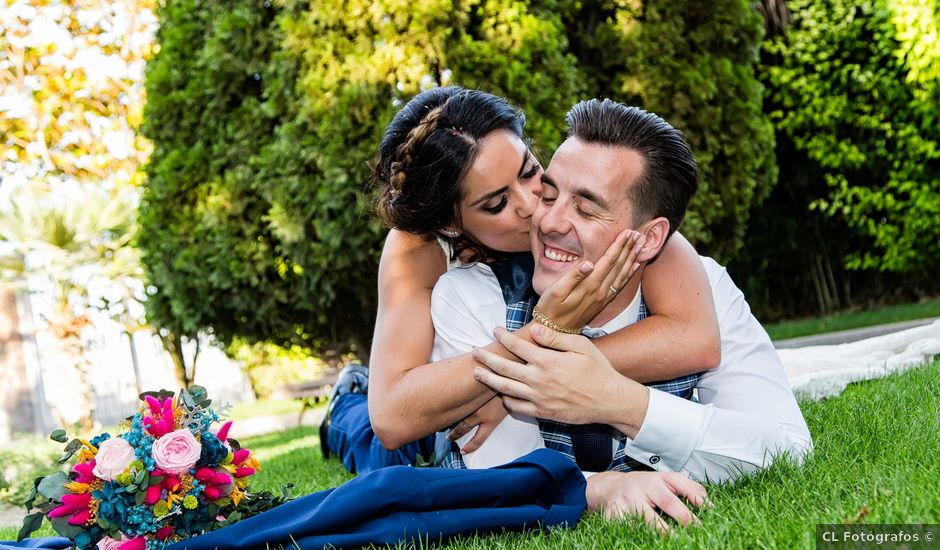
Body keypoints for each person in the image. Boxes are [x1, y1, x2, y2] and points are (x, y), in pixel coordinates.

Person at [323, 87, 720, 526]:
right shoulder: (417, 250)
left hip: (483, 371)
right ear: (452, 224)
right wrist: (539, 340)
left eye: (531, 172)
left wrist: (522, 384)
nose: (534, 207)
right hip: (441, 404)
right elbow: (394, 415)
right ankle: (343, 402)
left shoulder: (602, 213)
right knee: (379, 449)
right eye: (496, 204)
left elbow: (694, 338)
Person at [463, 100, 812, 504]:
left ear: (649, 239)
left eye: (586, 209)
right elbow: (497, 473)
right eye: (548, 194)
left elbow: (787, 453)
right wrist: (600, 490)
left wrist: (619, 401)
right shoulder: (478, 293)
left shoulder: (703, 288)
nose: (547, 222)